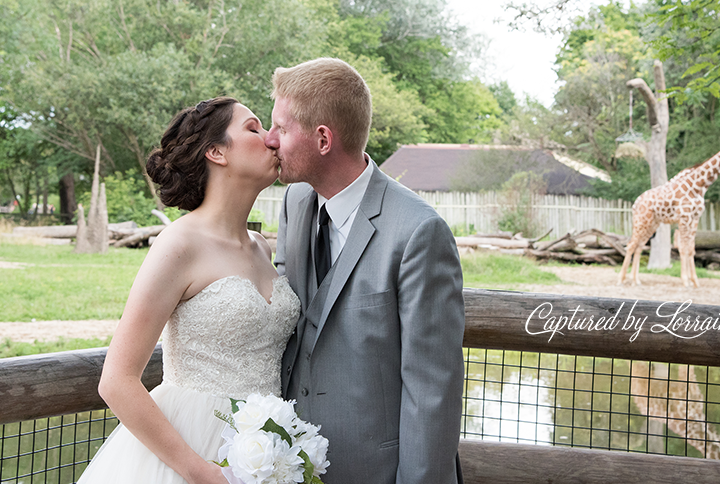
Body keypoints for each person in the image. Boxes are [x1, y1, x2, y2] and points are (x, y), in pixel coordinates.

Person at [77, 96, 300, 484]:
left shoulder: (262, 246)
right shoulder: (178, 245)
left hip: (265, 449)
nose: (271, 139)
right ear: (216, 152)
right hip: (191, 449)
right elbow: (116, 380)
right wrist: (203, 473)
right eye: (254, 128)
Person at [266, 58, 465, 484]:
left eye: (281, 129)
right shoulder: (295, 203)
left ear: (323, 139)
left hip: (376, 471)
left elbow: (431, 393)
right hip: (288, 464)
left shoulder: (418, 233)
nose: (270, 140)